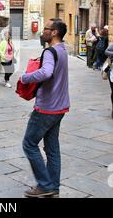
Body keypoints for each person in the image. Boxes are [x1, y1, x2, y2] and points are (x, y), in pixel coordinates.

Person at [20, 18, 70, 198]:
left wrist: (25, 77)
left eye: (47, 29)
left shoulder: (50, 51)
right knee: (52, 149)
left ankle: (45, 184)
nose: (43, 31)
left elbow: (47, 72)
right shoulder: (63, 50)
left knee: (29, 144)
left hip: (47, 108)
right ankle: (53, 188)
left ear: (55, 32)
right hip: (60, 107)